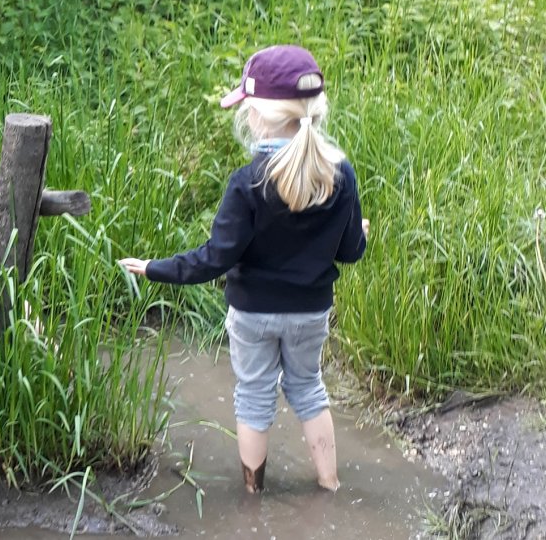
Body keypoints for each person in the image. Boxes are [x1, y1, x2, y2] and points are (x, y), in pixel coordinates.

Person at [118, 45, 368, 493]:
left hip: (253, 313)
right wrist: (360, 231)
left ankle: (254, 494)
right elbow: (350, 253)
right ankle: (330, 484)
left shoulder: (247, 182)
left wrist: (156, 268)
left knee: (254, 396)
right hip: (310, 312)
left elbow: (216, 258)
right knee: (309, 389)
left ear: (255, 114)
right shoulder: (340, 174)